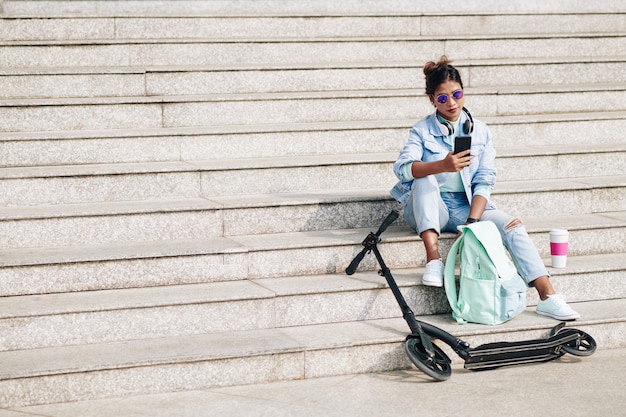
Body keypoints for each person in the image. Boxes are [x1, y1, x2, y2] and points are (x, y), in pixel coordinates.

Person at [390, 56, 579, 321]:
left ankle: (548, 296)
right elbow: (402, 168)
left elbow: (484, 180)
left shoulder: (480, 131)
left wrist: (471, 224)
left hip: (468, 207)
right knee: (424, 177)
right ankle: (433, 258)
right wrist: (442, 165)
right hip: (429, 207)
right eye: (442, 98)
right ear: (432, 99)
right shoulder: (422, 130)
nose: (452, 103)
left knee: (512, 225)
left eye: (457, 94)